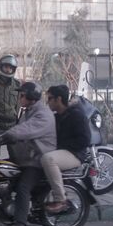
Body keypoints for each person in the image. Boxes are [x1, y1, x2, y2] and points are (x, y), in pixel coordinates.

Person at [0, 82, 56, 226]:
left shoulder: (42, 114)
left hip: (39, 159)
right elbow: (19, 128)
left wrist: (8, 135)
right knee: (3, 170)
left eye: (22, 95)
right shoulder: (28, 111)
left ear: (31, 97)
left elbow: (26, 130)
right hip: (28, 158)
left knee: (23, 187)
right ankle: (7, 205)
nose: (19, 98)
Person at [41, 85, 90, 214]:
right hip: (63, 151)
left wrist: (63, 145)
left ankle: (61, 200)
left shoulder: (77, 115)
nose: (47, 102)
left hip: (75, 154)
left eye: (50, 98)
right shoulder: (57, 116)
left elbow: (85, 140)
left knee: (48, 159)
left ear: (59, 99)